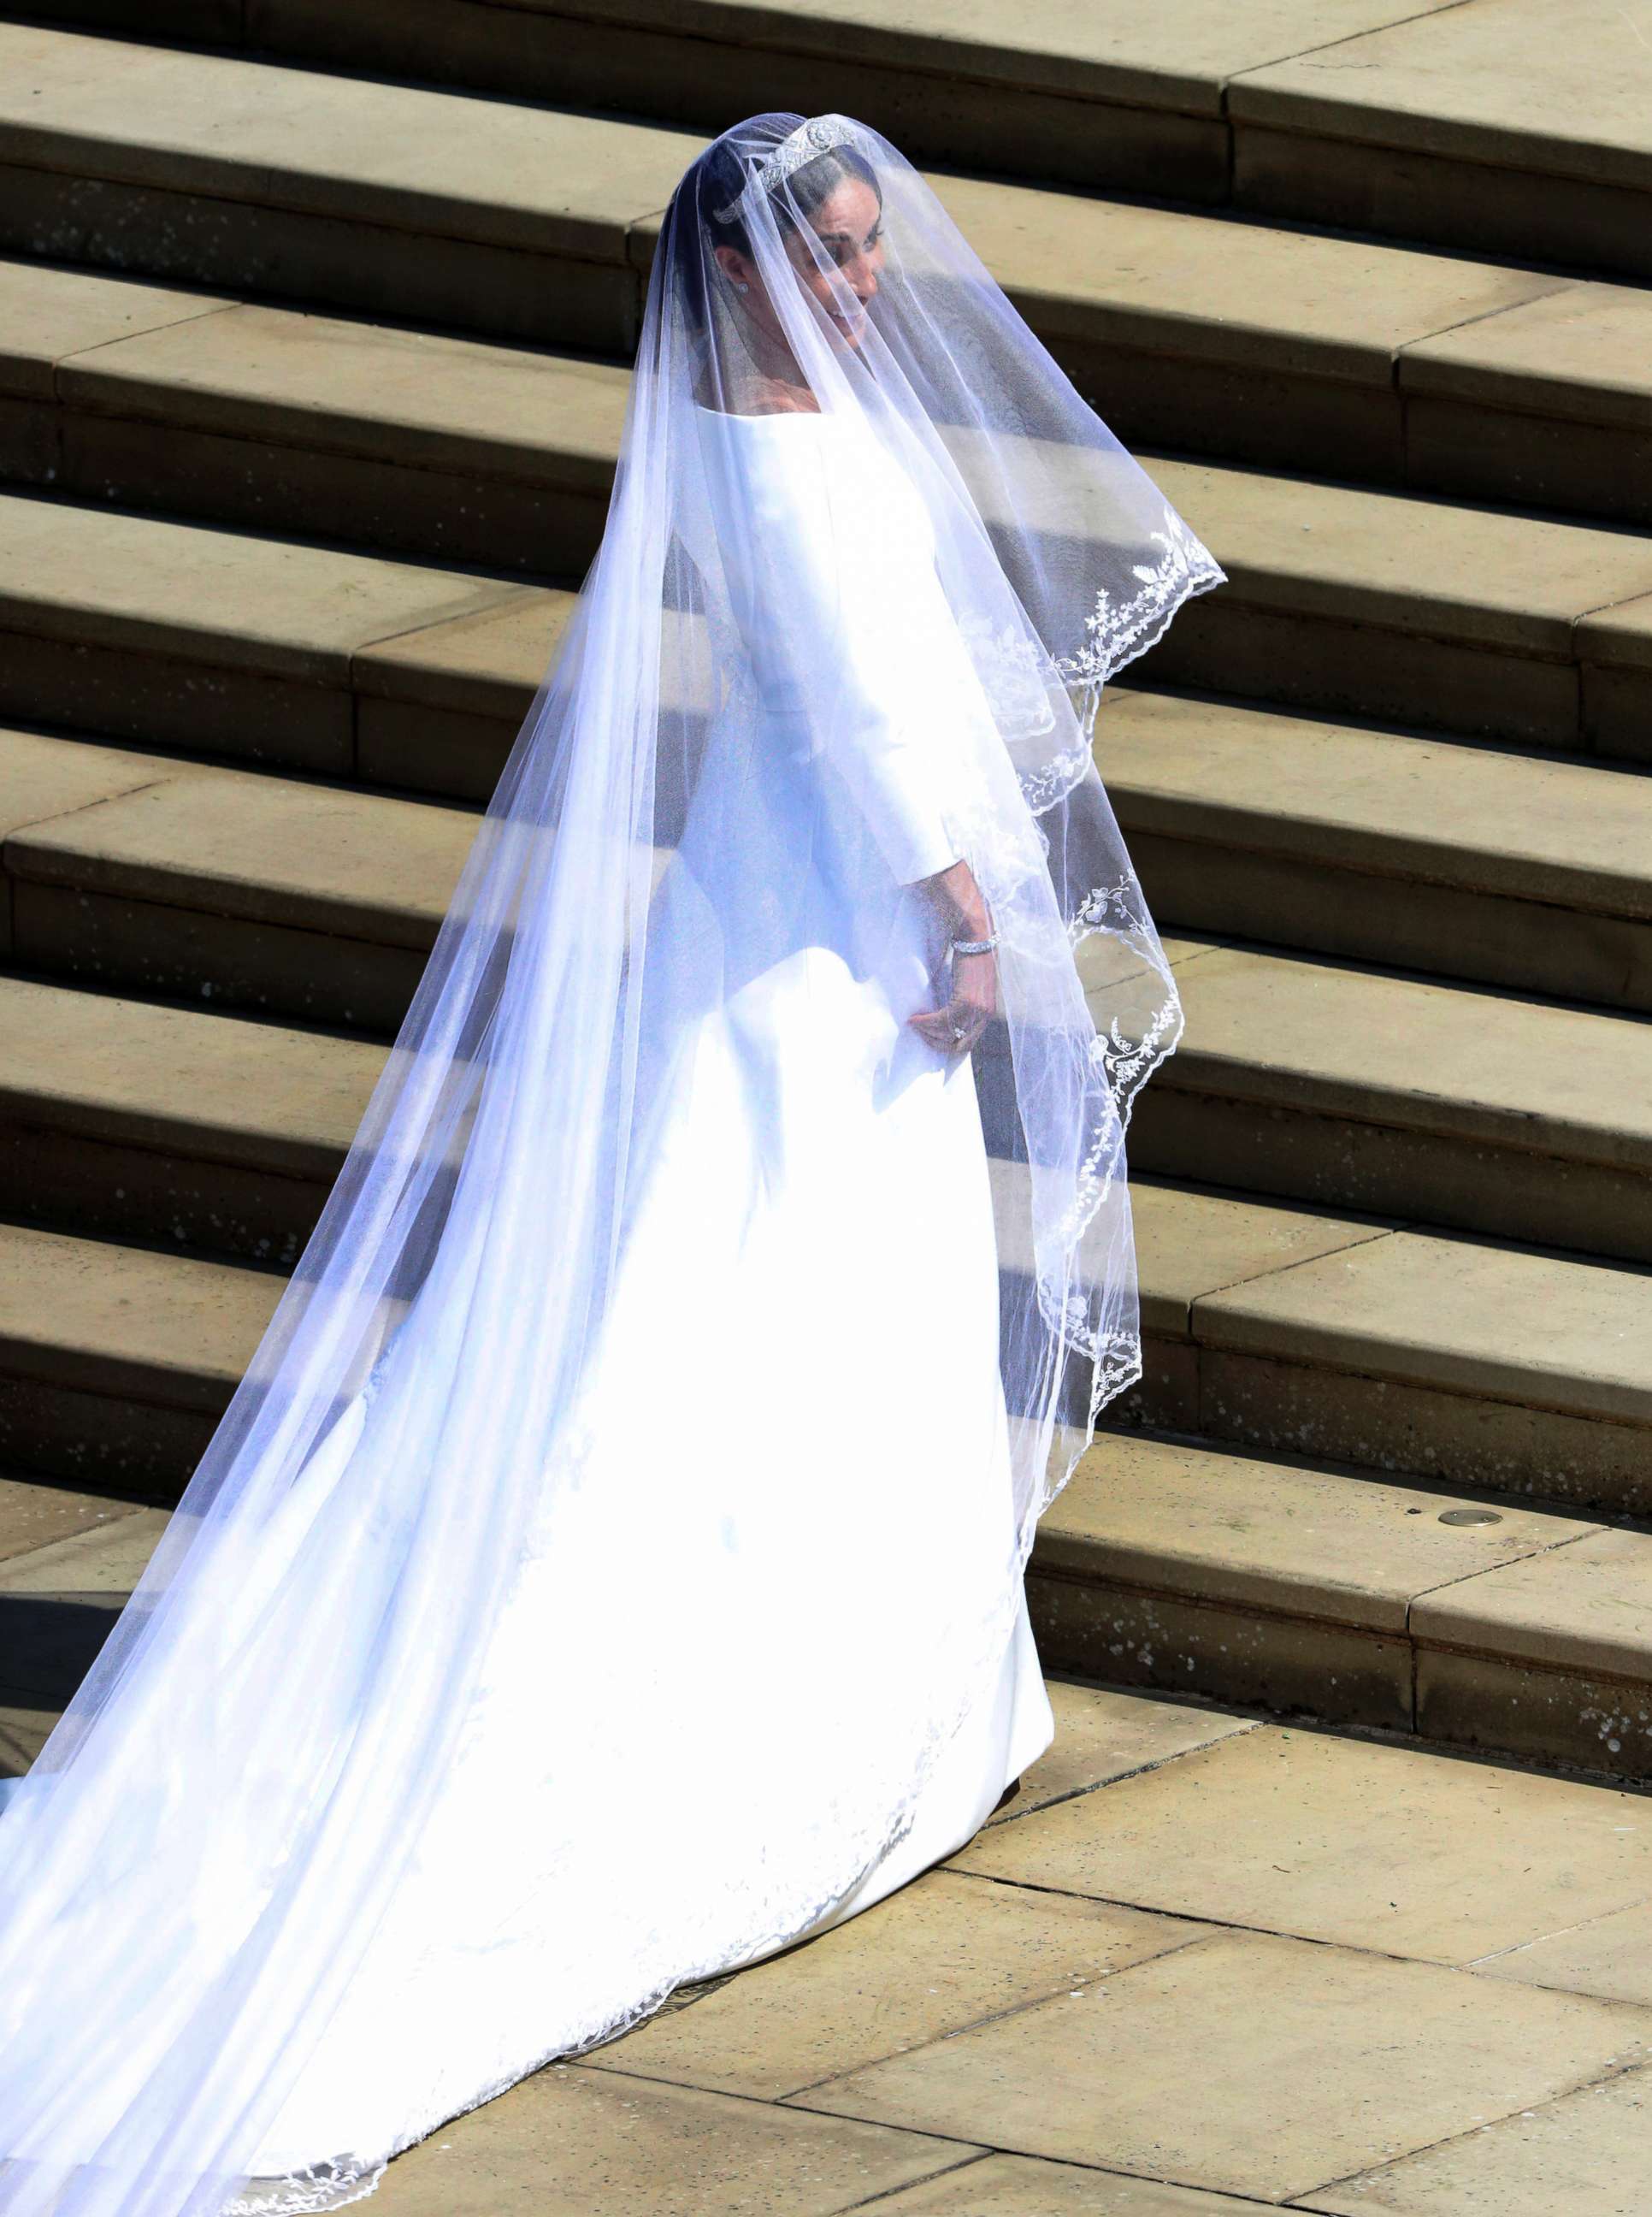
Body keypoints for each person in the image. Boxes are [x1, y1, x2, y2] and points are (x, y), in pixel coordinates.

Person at [0, 111, 1223, 2215]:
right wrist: (961, 909)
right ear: (739, 271)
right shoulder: (767, 453)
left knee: (807, 1287)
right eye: (827, 257)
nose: (861, 285)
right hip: (828, 921)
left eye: (869, 251)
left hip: (794, 895)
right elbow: (854, 699)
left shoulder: (766, 425)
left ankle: (904, 1684)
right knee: (758, 1291)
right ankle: (789, 1718)